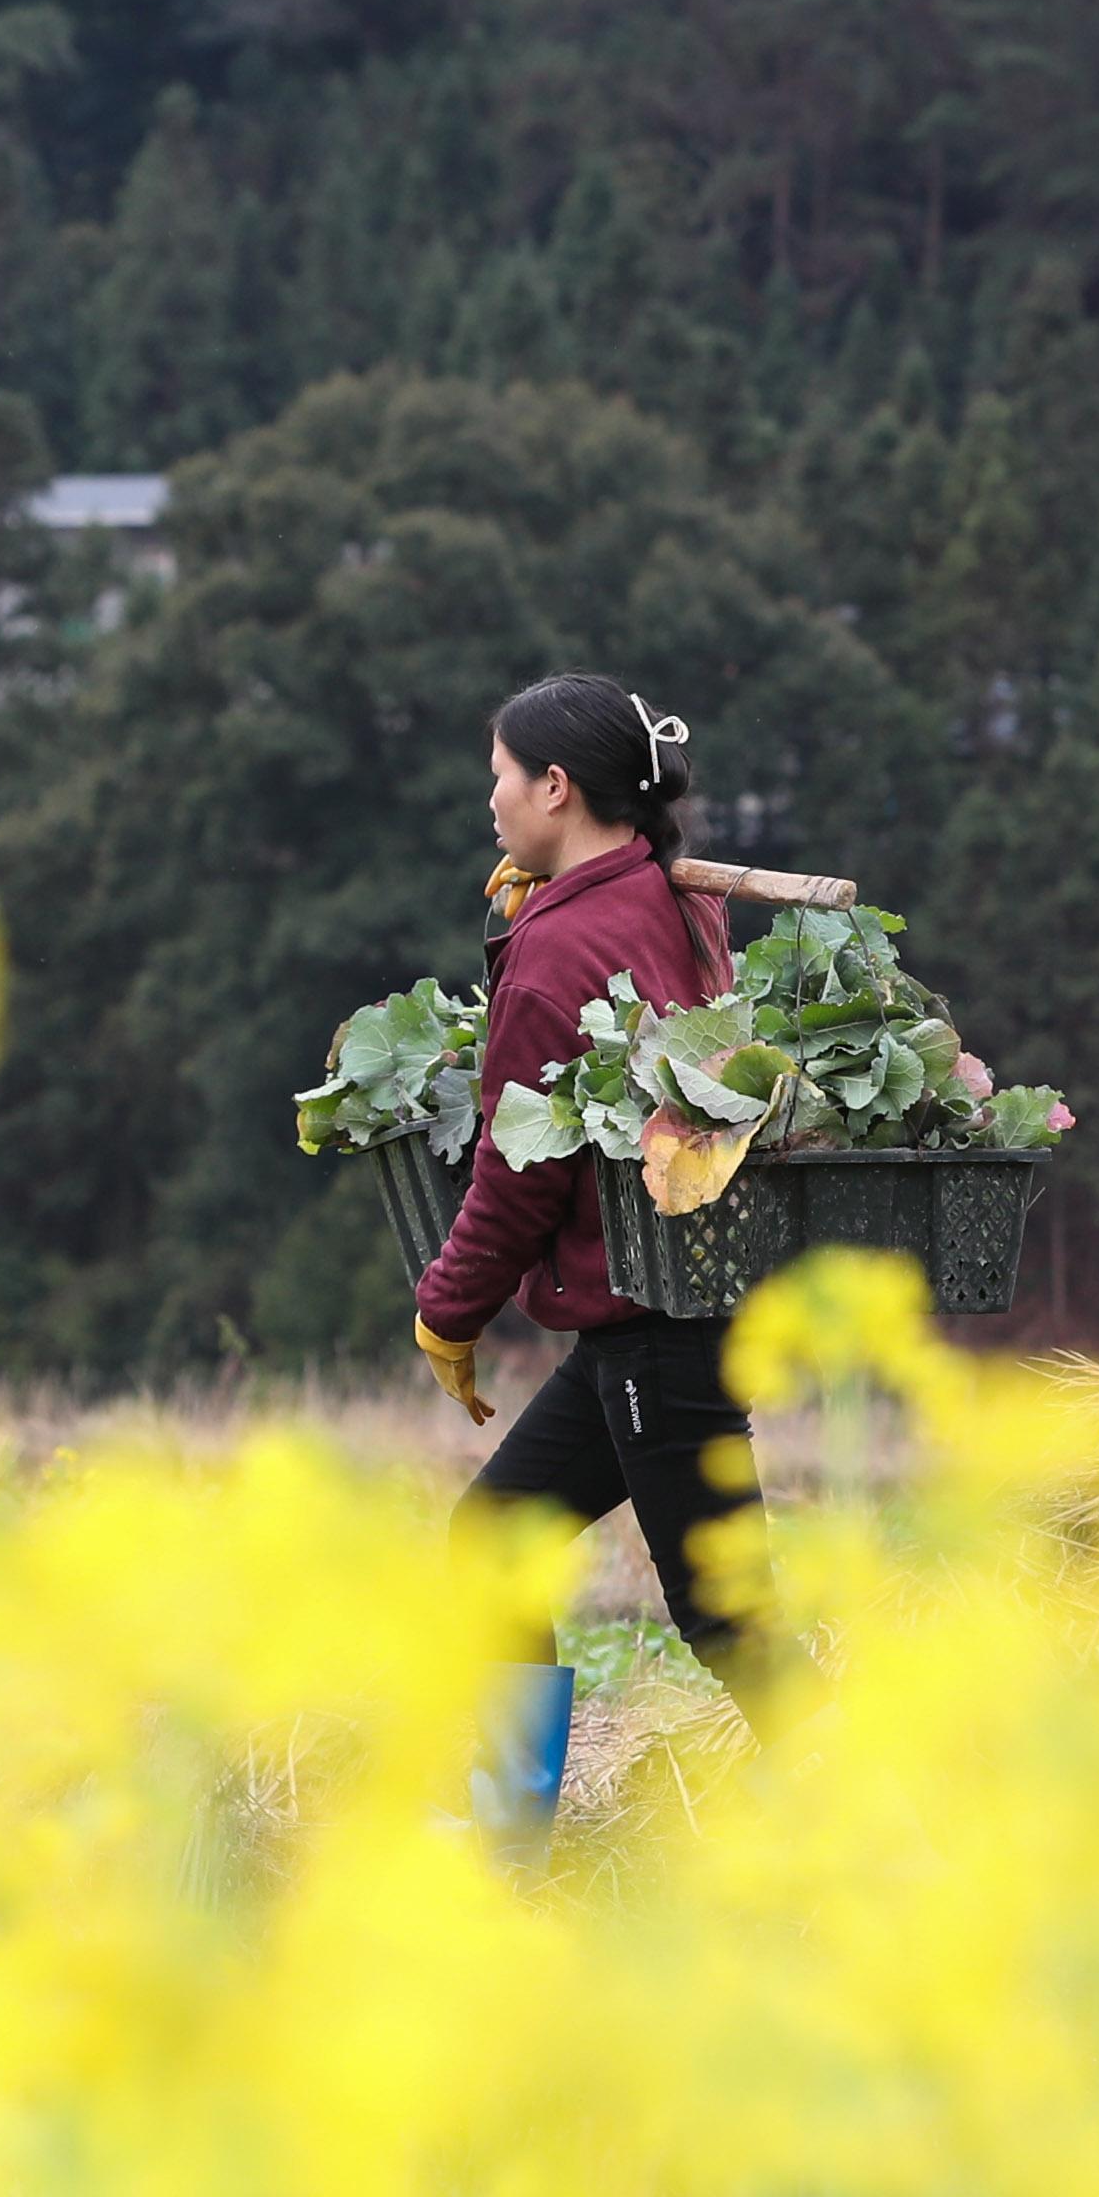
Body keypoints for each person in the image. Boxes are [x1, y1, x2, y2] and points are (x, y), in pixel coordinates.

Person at [411, 673, 763, 1686]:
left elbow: (519, 1167)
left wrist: (449, 1311)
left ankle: (884, 1841)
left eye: (502, 778)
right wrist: (546, 902)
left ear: (555, 787)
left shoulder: (557, 948)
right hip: (661, 1309)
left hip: (658, 1327)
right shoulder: (666, 895)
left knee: (732, 1622)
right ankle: (513, 1831)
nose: (492, 801)